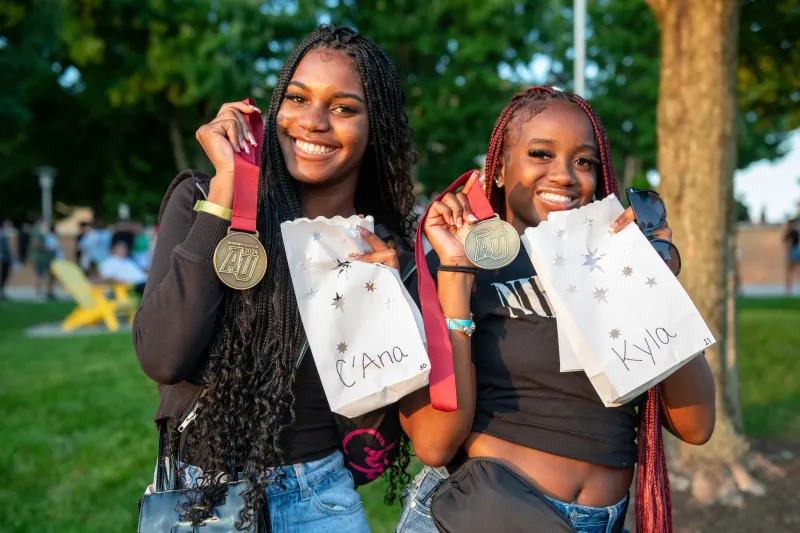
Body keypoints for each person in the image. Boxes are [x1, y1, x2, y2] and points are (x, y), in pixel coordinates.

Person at [134, 25, 421, 532]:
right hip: (201, 500)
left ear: (376, 126)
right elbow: (162, 356)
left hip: (321, 500)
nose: (312, 122)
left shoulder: (386, 251)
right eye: (297, 98)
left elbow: (375, 449)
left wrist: (382, 304)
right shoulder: (205, 197)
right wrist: (225, 191)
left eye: (343, 108)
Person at [396, 87, 716, 533]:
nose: (564, 174)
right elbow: (434, 444)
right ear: (501, 168)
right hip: (486, 516)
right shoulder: (455, 258)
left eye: (583, 161)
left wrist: (652, 280)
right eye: (541, 153)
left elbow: (696, 425)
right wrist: (455, 280)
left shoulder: (612, 262)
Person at [784, 218, 800, 296]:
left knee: (789, 272)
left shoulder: (790, 233)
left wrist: (788, 255)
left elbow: (789, 244)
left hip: (793, 251)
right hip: (796, 250)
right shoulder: (795, 232)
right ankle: (788, 290)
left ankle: (788, 291)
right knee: (794, 271)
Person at [0, 219, 14, 300]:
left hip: (7, 258)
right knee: (3, 275)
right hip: (2, 258)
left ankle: (2, 291)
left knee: (5, 275)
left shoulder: (6, 235)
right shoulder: (1, 235)